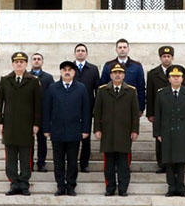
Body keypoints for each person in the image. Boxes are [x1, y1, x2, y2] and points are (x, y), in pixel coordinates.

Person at [0, 51, 42, 196]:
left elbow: (38, 104)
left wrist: (36, 123)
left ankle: (24, 183)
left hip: (26, 125)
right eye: (16, 62)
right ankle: (14, 183)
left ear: (26, 64)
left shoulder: (33, 81)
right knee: (11, 157)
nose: (19, 64)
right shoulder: (5, 80)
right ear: (12, 64)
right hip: (9, 125)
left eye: (22, 62)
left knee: (26, 156)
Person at [42, 60, 91, 197]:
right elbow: (47, 109)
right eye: (64, 70)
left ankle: (71, 186)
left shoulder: (81, 88)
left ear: (74, 72)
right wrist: (46, 128)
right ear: (60, 72)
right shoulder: (52, 88)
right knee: (58, 161)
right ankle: (60, 186)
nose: (67, 72)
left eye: (70, 70)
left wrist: (85, 129)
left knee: (72, 161)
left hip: (74, 131)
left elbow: (86, 110)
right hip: (57, 131)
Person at [93, 62, 139, 196]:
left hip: (124, 133)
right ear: (110, 75)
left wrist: (135, 130)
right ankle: (110, 188)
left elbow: (135, 113)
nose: (117, 75)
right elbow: (97, 112)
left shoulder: (131, 91)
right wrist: (97, 129)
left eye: (120, 73)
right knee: (109, 164)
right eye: (115, 73)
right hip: (108, 133)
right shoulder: (103, 90)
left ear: (124, 75)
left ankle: (123, 188)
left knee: (124, 164)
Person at [153, 65, 185, 197]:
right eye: (173, 76)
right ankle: (171, 187)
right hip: (167, 131)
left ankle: (181, 187)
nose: (176, 79)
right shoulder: (161, 94)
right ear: (169, 79)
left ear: (183, 78)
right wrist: (157, 133)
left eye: (178, 76)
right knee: (169, 161)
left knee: (181, 161)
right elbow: (158, 114)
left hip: (183, 131)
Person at [146, 45, 185, 173]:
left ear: (172, 57)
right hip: (160, 112)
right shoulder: (152, 74)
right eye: (164, 56)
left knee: (176, 139)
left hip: (176, 112)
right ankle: (162, 164)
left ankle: (175, 162)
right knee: (160, 139)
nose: (166, 58)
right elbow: (150, 94)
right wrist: (150, 113)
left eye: (169, 56)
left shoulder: (179, 72)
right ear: (160, 58)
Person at [72, 43, 100, 172]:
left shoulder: (93, 69)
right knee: (72, 137)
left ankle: (84, 163)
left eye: (83, 50)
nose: (80, 52)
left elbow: (97, 90)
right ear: (75, 53)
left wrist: (96, 108)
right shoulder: (69, 68)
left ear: (86, 53)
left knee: (86, 138)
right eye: (78, 50)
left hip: (87, 109)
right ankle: (72, 162)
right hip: (71, 108)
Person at [100, 38, 146, 116]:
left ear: (128, 49)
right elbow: (103, 86)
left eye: (124, 47)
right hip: (111, 105)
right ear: (116, 50)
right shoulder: (108, 65)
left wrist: (141, 108)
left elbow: (141, 88)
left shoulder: (137, 66)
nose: (122, 49)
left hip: (130, 104)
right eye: (120, 47)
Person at [29, 52, 54, 172]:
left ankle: (41, 163)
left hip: (43, 114)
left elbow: (52, 95)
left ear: (42, 62)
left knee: (42, 141)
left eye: (39, 59)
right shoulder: (26, 76)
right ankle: (29, 163)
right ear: (31, 62)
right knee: (28, 141)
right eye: (34, 59)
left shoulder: (48, 78)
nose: (36, 61)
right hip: (29, 114)